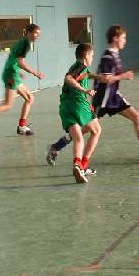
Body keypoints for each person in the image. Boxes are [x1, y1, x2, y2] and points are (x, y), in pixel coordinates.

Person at [49, 25, 139, 164]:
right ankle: (58, 148)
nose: (125, 41)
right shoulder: (107, 57)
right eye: (123, 38)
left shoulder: (114, 55)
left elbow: (97, 76)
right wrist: (123, 76)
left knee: (137, 117)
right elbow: (105, 79)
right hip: (102, 99)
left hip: (114, 97)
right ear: (115, 38)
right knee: (84, 130)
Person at [0, 24, 44, 136]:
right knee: (7, 105)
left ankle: (22, 126)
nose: (38, 36)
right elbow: (21, 62)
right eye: (36, 33)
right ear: (29, 32)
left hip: (12, 74)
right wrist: (35, 73)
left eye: (39, 34)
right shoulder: (25, 44)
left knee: (30, 98)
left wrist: (17, 71)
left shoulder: (21, 41)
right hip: (11, 76)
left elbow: (12, 57)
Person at [49, 43, 102, 184]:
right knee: (96, 130)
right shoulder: (81, 67)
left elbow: (83, 74)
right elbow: (69, 78)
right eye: (92, 55)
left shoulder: (77, 66)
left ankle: (76, 165)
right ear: (86, 56)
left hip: (65, 106)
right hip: (78, 104)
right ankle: (83, 165)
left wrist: (98, 76)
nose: (92, 58)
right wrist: (85, 90)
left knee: (78, 137)